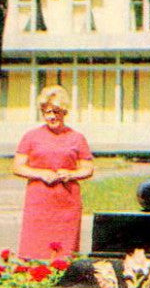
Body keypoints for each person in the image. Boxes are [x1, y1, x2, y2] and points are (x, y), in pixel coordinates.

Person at [14, 85, 94, 260]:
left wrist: (71, 174)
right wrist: (40, 173)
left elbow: (88, 168)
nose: (51, 116)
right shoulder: (31, 136)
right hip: (39, 202)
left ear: (64, 111)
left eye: (55, 111)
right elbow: (17, 167)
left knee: (64, 253)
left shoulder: (77, 137)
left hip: (67, 203)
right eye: (46, 112)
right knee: (35, 250)